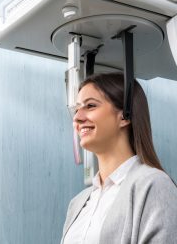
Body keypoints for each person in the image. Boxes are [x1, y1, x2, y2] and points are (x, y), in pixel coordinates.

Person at [61, 72, 177, 244]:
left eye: (90, 105)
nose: (77, 117)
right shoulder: (77, 203)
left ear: (124, 116)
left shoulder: (154, 185)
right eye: (77, 109)